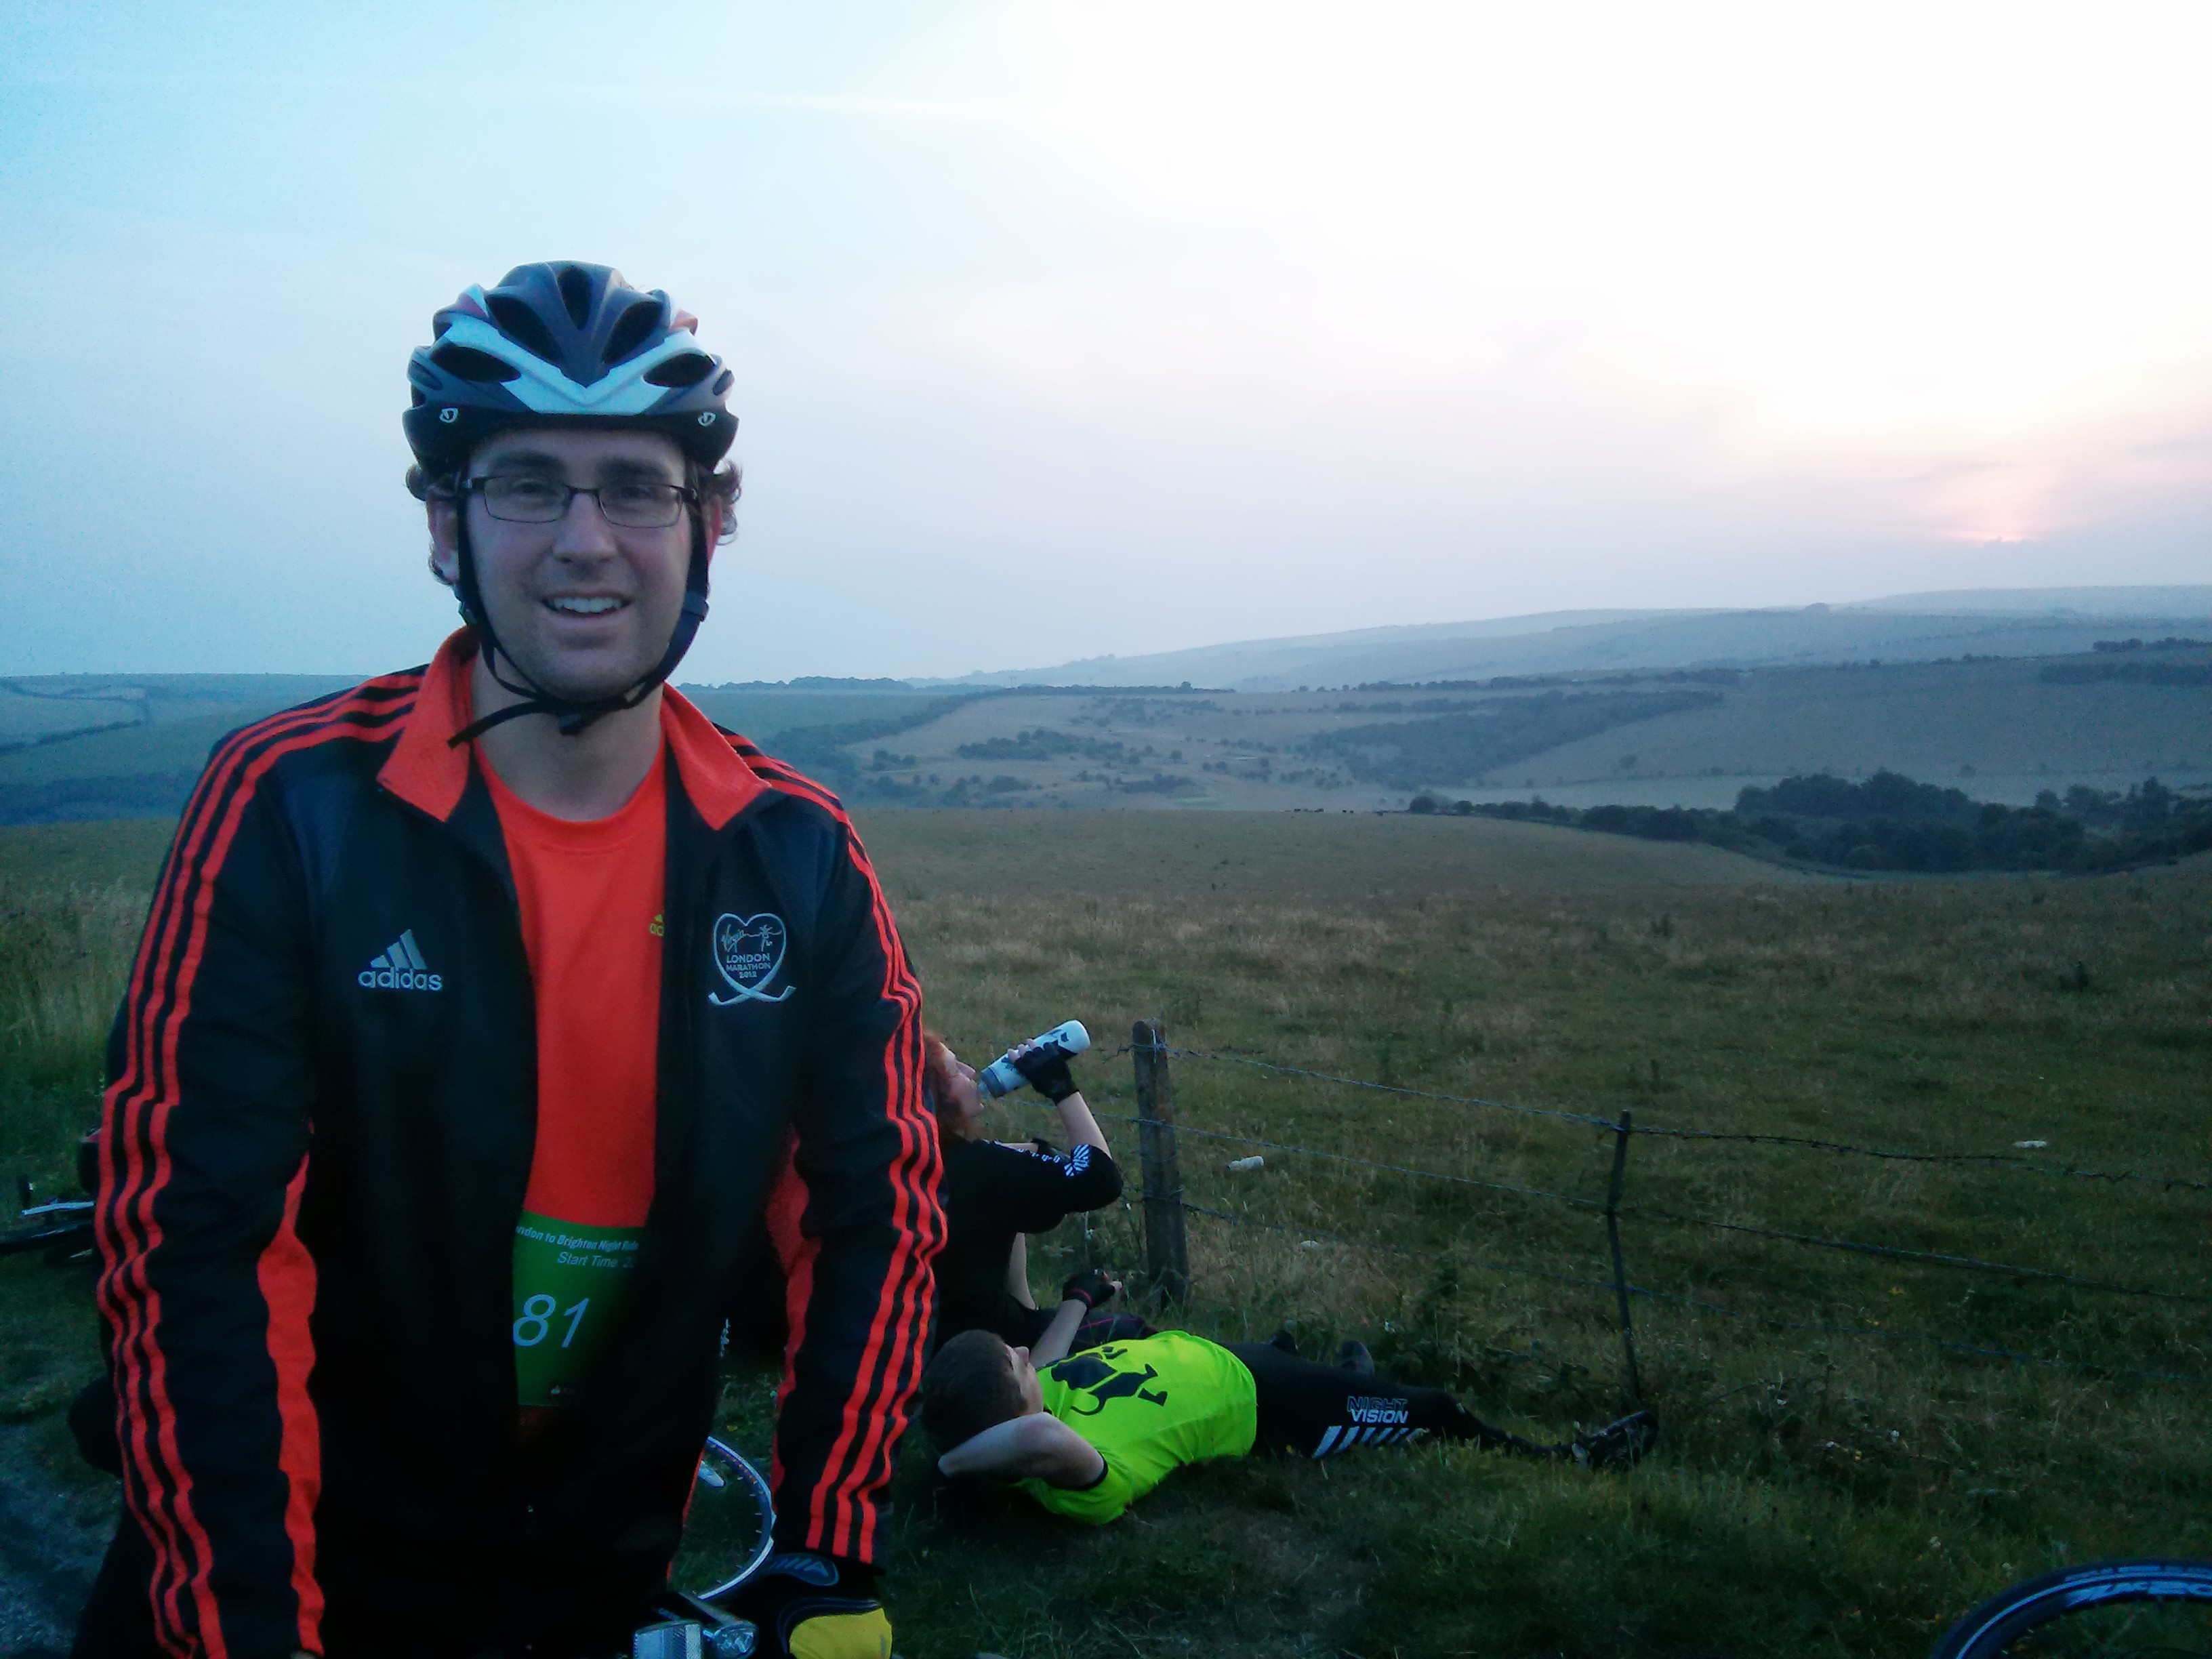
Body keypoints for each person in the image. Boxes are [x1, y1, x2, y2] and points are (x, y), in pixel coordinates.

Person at [75, 262, 941, 1659]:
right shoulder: (294, 804)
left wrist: (826, 1543)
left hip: (595, 1580)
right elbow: (196, 1245)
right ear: (446, 523)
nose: (584, 540)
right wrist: (246, 1625)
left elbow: (871, 1212)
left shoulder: (797, 854)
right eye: (528, 484)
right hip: (295, 1568)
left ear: (709, 524)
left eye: (637, 488)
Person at [921, 1285, 1656, 1525]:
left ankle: (1350, 1381)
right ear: (1016, 1423)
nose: (1028, 1355)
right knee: (1432, 1407)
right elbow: (1036, 1439)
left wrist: (1080, 1299)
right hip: (1273, 1411)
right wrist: (951, 1465)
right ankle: (1568, 1457)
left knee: (1313, 1365)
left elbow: (1046, 1363)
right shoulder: (1078, 1475)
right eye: (1016, 1364)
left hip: (1237, 1361)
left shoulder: (1042, 1391)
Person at [924, 1031, 1145, 1353]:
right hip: (992, 1351)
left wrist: (1029, 1152)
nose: (971, 1072)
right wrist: (1061, 1087)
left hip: (926, 1344)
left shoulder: (907, 1161)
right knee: (1136, 1334)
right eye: (955, 1070)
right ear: (932, 1095)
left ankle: (1030, 1310)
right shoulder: (981, 1168)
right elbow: (1099, 1179)